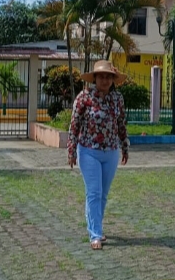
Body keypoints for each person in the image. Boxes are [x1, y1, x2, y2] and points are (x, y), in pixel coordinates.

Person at [67, 60, 129, 251]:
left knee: (103, 194)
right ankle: (95, 234)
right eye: (101, 76)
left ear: (113, 79)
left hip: (110, 151)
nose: (105, 80)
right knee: (93, 192)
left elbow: (121, 123)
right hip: (89, 150)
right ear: (94, 78)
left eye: (108, 77)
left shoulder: (117, 99)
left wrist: (125, 146)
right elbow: (74, 125)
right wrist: (71, 149)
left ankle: (97, 226)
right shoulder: (84, 97)